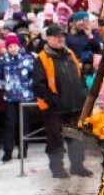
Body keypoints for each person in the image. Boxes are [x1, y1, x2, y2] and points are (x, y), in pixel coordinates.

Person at [32, 24, 92, 178]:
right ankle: (57, 169)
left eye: (62, 36)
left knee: (76, 139)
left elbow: (79, 77)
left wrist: (82, 93)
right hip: (54, 110)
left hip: (73, 107)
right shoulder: (42, 58)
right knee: (55, 141)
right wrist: (54, 100)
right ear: (48, 38)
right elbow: (38, 85)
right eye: (56, 36)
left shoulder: (70, 53)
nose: (60, 39)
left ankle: (77, 167)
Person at [0, 34, 35, 162]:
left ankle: (23, 150)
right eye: (10, 46)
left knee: (24, 124)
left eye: (15, 46)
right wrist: (5, 86)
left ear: (19, 46)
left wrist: (29, 86)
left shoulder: (28, 58)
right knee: (10, 124)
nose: (13, 49)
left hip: (25, 97)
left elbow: (35, 75)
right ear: (7, 48)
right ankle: (8, 151)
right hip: (10, 97)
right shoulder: (2, 60)